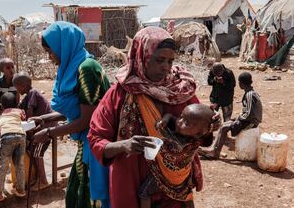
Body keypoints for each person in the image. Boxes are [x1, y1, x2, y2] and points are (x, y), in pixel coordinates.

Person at [88, 27, 210, 208]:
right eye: (159, 60)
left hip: (176, 185)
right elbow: (96, 138)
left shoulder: (180, 90)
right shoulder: (120, 94)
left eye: (170, 61)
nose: (166, 67)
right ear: (141, 56)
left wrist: (210, 126)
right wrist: (124, 145)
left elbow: (202, 134)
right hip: (132, 183)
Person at [31, 21, 110, 208]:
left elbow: (87, 119)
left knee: (87, 198)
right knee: (76, 195)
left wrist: (50, 133)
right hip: (86, 141)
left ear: (63, 45)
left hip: (97, 144)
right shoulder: (69, 68)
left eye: (51, 52)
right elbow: (75, 109)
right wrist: (43, 119)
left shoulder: (86, 68)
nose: (50, 57)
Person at [139, 104, 217, 208]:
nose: (179, 122)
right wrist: (166, 119)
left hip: (177, 177)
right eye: (181, 116)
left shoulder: (195, 141)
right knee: (145, 193)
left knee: (186, 196)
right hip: (167, 175)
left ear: (199, 134)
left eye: (186, 123)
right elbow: (171, 116)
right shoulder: (181, 128)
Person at [200, 72, 263, 159]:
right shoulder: (251, 92)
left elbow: (248, 114)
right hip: (250, 120)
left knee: (224, 128)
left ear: (241, 83)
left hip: (251, 122)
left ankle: (215, 152)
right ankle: (214, 150)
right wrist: (237, 118)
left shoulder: (249, 95)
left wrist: (238, 119)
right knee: (224, 125)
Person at [13, 72, 54, 191]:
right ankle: (36, 177)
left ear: (22, 85)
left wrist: (27, 129)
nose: (17, 90)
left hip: (46, 128)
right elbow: (20, 108)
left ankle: (43, 181)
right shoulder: (28, 95)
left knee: (36, 152)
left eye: (17, 87)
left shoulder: (33, 93)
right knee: (30, 149)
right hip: (42, 127)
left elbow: (30, 113)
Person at [0, 92, 26, 202]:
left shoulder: (2, 116)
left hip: (7, 137)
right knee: (19, 164)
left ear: (1, 106)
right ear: (16, 103)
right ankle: (21, 190)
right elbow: (24, 122)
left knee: (2, 166)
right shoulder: (20, 111)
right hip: (21, 136)